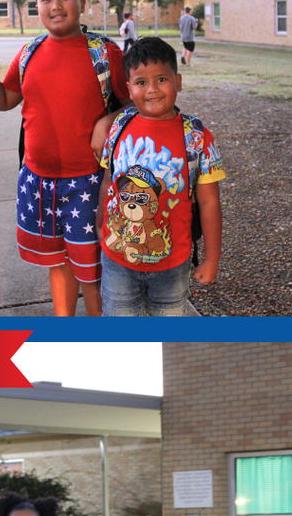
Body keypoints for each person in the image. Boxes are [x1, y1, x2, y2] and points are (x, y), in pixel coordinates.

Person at [0, 0, 131, 316]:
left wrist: (109, 118)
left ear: (82, 3)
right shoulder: (29, 54)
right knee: (58, 263)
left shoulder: (105, 54)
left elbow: (136, 107)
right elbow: (4, 101)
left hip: (89, 184)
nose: (55, 6)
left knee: (92, 272)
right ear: (37, 6)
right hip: (38, 182)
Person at [94, 37, 225, 316]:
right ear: (129, 88)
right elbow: (107, 181)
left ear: (178, 81)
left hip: (172, 264)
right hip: (118, 262)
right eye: (141, 82)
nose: (152, 90)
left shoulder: (197, 138)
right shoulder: (118, 127)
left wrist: (212, 259)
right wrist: (98, 225)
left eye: (162, 79)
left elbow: (210, 203)